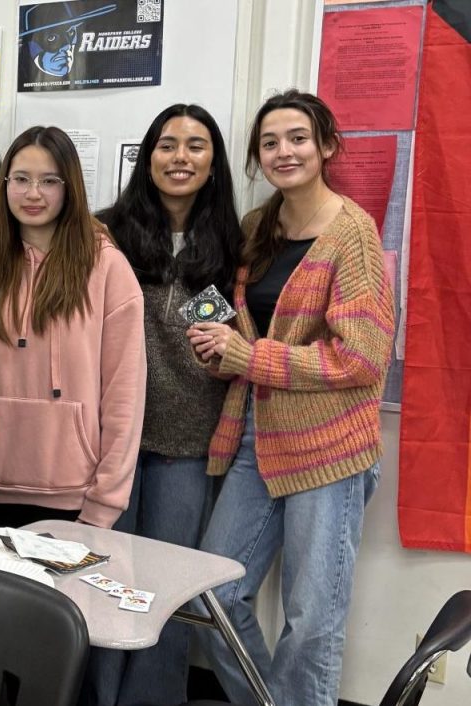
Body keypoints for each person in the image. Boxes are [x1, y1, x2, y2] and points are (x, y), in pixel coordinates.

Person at [187, 90, 393, 706]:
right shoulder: (257, 227)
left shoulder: (352, 233)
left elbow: (361, 358)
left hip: (329, 451)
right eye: (270, 142)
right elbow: (248, 327)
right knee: (214, 596)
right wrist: (218, 345)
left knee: (312, 618)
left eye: (298, 138)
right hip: (257, 438)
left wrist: (248, 357)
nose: (284, 151)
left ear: (326, 145)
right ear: (257, 156)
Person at [88, 104, 242, 706]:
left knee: (169, 590)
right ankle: (97, 697)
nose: (180, 158)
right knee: (104, 580)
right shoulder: (105, 231)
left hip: (189, 440)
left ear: (213, 163)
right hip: (115, 436)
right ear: (147, 157)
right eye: (167, 145)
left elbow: (247, 338)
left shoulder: (238, 241)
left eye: (196, 146)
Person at [0, 126, 146, 529]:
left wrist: (104, 504)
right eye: (20, 179)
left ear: (69, 187)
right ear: (3, 186)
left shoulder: (108, 270)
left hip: (77, 499)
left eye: (48, 181)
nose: (32, 193)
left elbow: (125, 396)